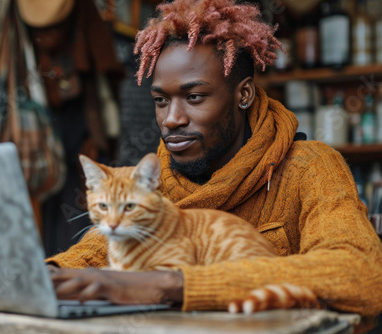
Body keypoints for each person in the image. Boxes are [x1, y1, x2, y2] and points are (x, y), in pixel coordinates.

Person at [45, 0, 382, 325]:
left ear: (244, 95)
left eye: (194, 97)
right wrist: (51, 275)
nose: (171, 119)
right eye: (161, 100)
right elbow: (98, 247)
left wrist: (172, 284)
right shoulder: (150, 181)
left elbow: (359, 273)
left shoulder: (311, 167)